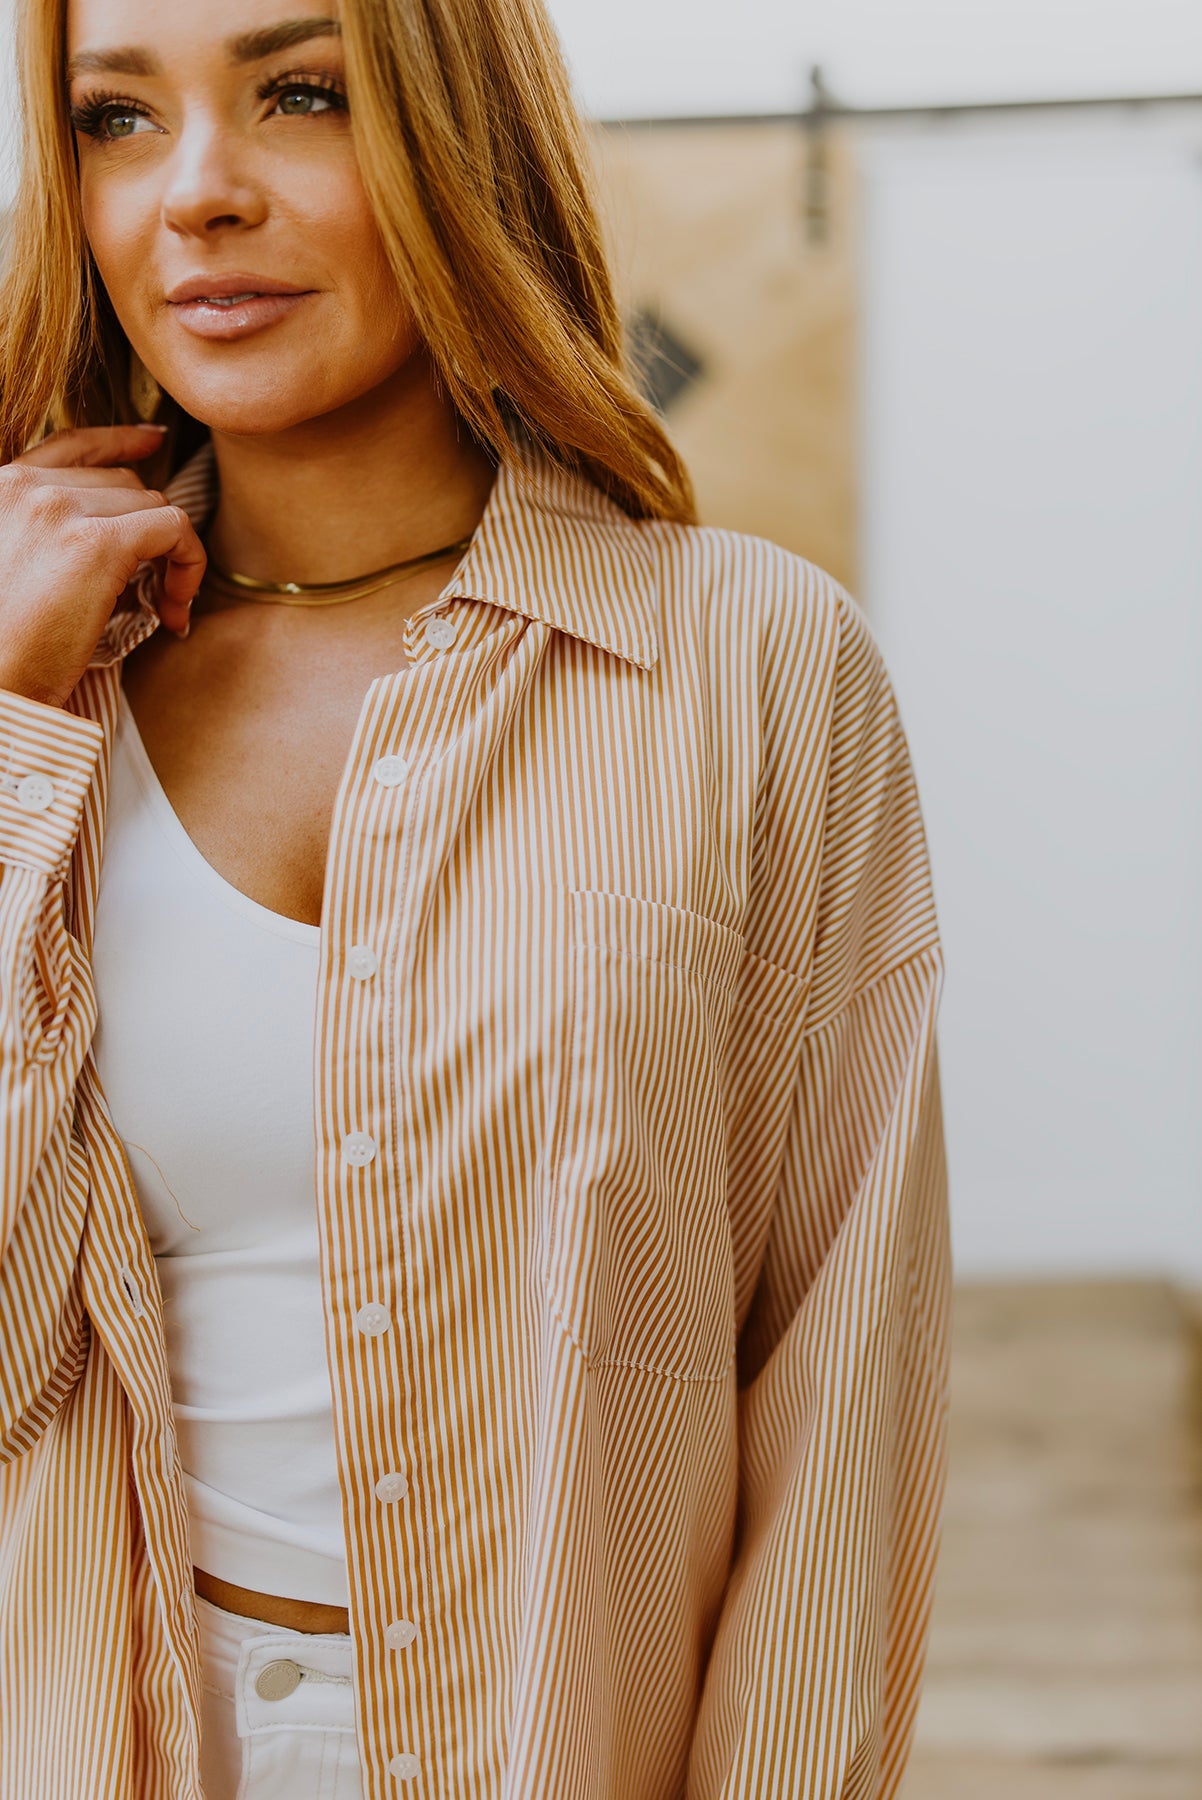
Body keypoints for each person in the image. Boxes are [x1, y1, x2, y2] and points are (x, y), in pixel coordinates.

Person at [0, 0, 951, 1794]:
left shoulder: (749, 668)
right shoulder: (32, 689)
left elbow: (841, 1404)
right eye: (116, 121)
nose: (194, 193)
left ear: (456, 133)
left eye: (297, 95)